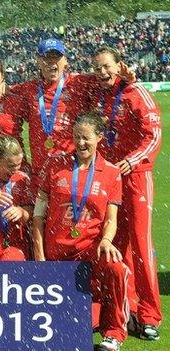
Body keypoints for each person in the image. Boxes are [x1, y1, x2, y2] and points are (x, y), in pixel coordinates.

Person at [32, 112, 129, 351]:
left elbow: (111, 219)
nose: (81, 143)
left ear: (99, 137)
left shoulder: (111, 173)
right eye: (77, 137)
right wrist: (40, 256)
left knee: (118, 268)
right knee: (63, 329)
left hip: (90, 251)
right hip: (57, 253)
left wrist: (106, 240)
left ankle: (113, 334)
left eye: (86, 138)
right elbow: (38, 216)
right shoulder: (55, 164)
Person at [92, 47, 163, 340]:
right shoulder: (98, 96)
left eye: (107, 67)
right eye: (98, 69)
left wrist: (132, 160)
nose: (103, 73)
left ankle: (149, 316)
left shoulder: (136, 92)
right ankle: (127, 309)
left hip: (135, 177)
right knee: (115, 243)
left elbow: (154, 135)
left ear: (120, 65)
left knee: (141, 244)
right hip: (111, 179)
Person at [7, 38, 96, 182]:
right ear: (38, 61)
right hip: (40, 172)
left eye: (56, 57)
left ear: (65, 61)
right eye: (46, 58)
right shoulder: (28, 89)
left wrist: (127, 78)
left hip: (73, 170)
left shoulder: (78, 83)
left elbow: (108, 78)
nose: (51, 62)